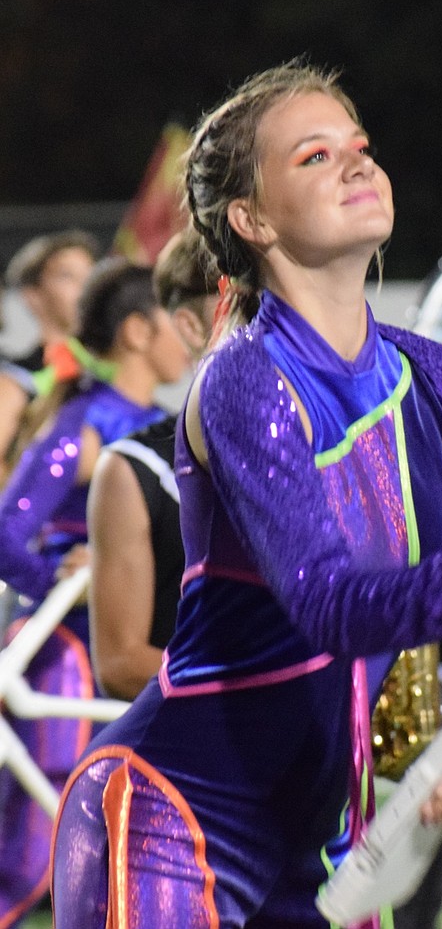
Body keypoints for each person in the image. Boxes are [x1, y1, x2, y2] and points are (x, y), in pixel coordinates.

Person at [50, 59, 442, 929]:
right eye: (314, 157)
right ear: (252, 218)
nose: (357, 163)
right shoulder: (245, 379)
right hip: (171, 817)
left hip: (332, 848)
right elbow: (330, 605)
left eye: (360, 146)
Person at [0, 257, 189, 928]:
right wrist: (57, 577)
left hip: (132, 649)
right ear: (139, 331)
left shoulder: (167, 421)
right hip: (67, 658)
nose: (190, 332)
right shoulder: (86, 422)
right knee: (33, 855)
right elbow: (4, 529)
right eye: (176, 316)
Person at [87, 227, 219, 700]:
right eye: (246, 297)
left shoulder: (326, 439)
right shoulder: (133, 459)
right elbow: (121, 661)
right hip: (203, 745)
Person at [0, 231, 99, 484]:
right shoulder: (15, 380)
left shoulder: (107, 372)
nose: (84, 285)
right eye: (67, 276)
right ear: (32, 294)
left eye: (91, 274)